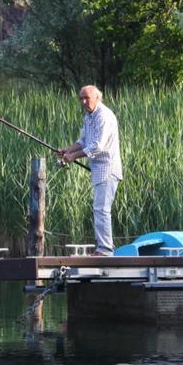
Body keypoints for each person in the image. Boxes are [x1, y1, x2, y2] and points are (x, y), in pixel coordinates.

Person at [57, 85, 122, 255]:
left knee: (102, 209)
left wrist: (74, 157)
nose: (84, 102)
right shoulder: (89, 116)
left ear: (97, 98)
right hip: (98, 170)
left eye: (87, 98)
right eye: (81, 98)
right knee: (98, 209)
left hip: (108, 169)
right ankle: (103, 248)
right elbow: (83, 141)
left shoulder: (104, 116)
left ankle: (106, 250)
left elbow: (97, 146)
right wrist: (68, 150)